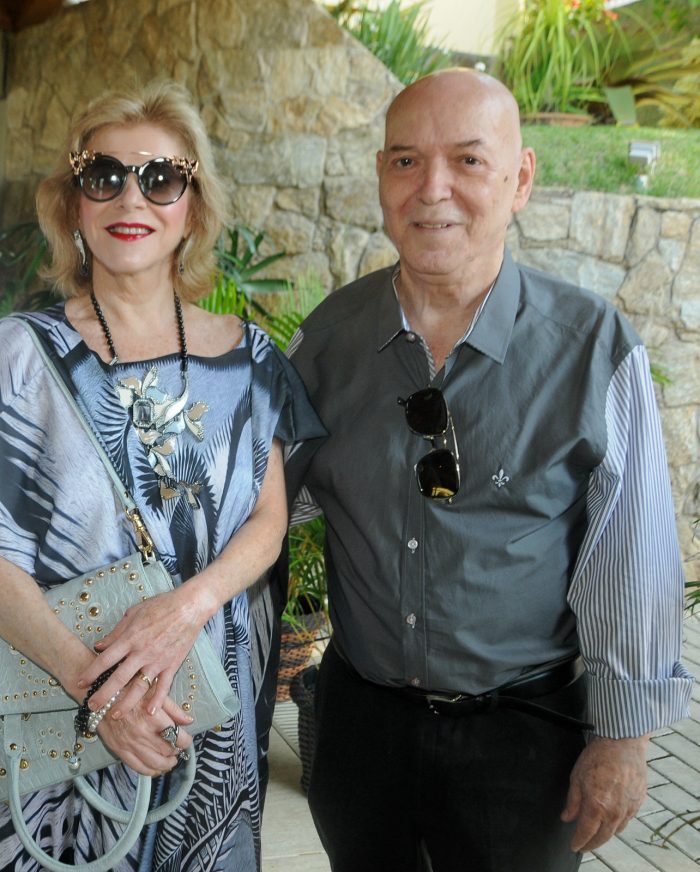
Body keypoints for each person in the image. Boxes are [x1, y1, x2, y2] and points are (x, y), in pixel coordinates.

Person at [285, 68, 694, 872]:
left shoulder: (590, 348)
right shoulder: (329, 339)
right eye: (405, 160)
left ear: (521, 179)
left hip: (525, 746)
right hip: (360, 730)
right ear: (381, 177)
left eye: (468, 160)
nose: (431, 188)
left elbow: (632, 560)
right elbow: (263, 509)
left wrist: (622, 740)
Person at [0, 80, 322, 870]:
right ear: (73, 202)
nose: (129, 198)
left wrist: (186, 610)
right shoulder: (18, 357)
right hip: (63, 704)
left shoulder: (251, 360)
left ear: (193, 204)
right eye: (102, 175)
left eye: (161, 177)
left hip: (212, 713)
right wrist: (96, 690)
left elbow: (267, 521)